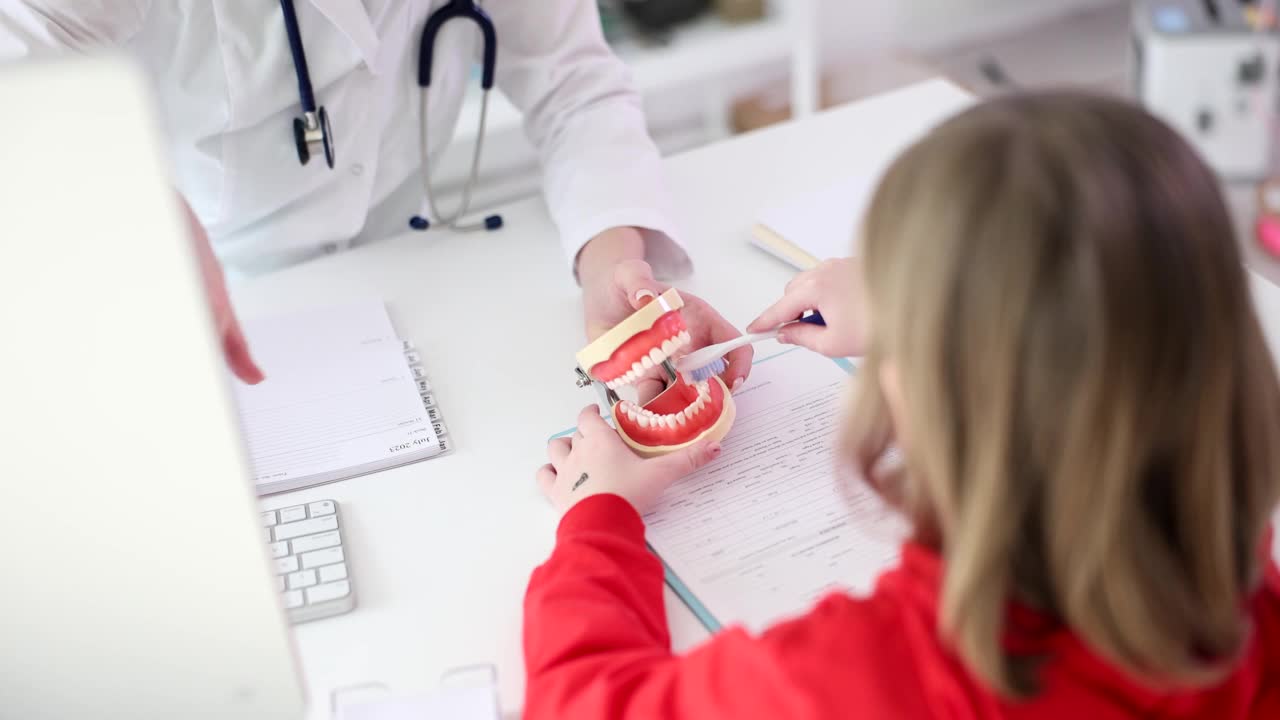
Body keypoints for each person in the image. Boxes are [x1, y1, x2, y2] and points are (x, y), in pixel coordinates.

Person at [524, 91, 1280, 718]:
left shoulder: (878, 678)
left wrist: (596, 521)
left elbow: (590, 703)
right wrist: (925, 305)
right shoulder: (1239, 605)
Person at [0, 2, 751, 391]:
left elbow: (572, 77)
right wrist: (151, 215)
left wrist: (610, 257)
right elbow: (23, 91)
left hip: (413, 260)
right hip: (222, 292)